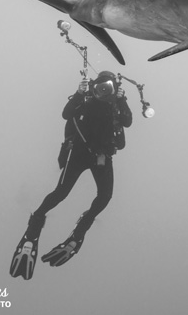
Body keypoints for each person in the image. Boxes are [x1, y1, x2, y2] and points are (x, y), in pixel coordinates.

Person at [10, 71, 133, 280]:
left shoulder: (115, 104)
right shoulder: (86, 99)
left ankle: (79, 232)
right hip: (78, 153)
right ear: (93, 86)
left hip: (102, 156)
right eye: (100, 87)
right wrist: (78, 93)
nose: (103, 91)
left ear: (115, 89)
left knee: (105, 197)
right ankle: (33, 228)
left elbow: (127, 122)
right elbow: (66, 114)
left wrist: (122, 100)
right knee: (61, 193)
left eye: (108, 88)